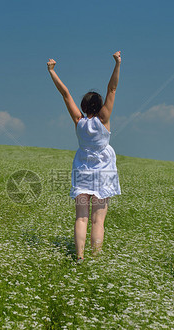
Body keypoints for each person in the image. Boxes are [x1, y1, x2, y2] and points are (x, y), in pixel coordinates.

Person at [47, 51, 122, 262]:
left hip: (82, 172)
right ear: (99, 107)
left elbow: (65, 94)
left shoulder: (79, 122)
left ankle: (79, 257)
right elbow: (112, 88)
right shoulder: (104, 118)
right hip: (104, 174)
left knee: (81, 217)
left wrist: (52, 71)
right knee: (99, 221)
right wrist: (117, 63)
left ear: (83, 107)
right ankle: (95, 258)